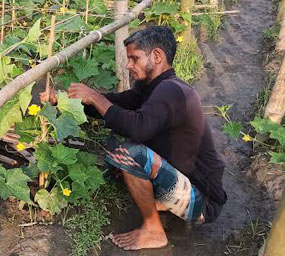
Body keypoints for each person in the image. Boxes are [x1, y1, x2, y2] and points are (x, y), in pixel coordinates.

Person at [55, 26, 227, 250]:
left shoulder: (172, 91)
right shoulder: (153, 88)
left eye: (134, 58)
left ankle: (154, 230)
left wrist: (95, 96)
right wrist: (63, 100)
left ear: (156, 56)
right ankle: (160, 202)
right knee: (117, 140)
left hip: (202, 201)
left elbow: (137, 129)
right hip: (182, 182)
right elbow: (115, 105)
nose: (128, 65)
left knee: (129, 152)